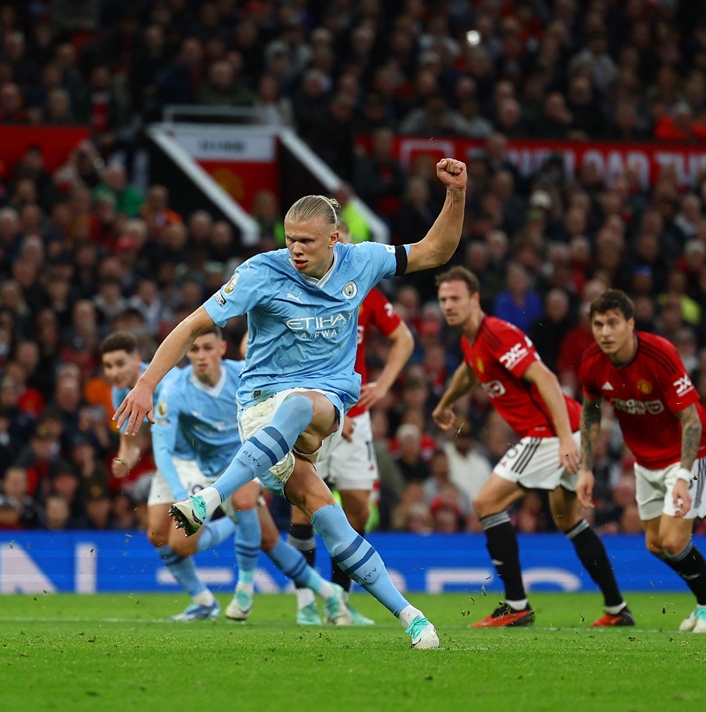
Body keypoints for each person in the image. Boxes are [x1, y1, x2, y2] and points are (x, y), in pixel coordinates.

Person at [116, 158, 473, 650]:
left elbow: (435, 250)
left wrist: (455, 195)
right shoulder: (260, 273)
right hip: (260, 410)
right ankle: (412, 617)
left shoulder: (362, 260)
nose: (296, 249)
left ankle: (211, 498)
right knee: (328, 514)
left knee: (307, 407)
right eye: (290, 238)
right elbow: (193, 325)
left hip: (323, 401)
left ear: (334, 240)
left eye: (307, 240)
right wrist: (145, 383)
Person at [431, 267, 630, 628]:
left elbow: (547, 378)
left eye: (456, 298)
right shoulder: (471, 341)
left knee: (485, 502)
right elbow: (469, 370)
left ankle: (516, 604)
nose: (448, 305)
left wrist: (566, 438)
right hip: (565, 429)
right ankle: (618, 609)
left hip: (551, 432)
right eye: (443, 299)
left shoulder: (497, 334)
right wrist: (446, 402)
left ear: (475, 299)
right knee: (569, 519)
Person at [151, 328, 348, 625]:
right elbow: (162, 447)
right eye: (195, 350)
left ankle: (243, 592)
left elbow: (287, 397)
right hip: (203, 470)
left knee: (244, 499)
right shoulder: (175, 390)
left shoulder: (244, 374)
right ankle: (328, 591)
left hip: (251, 455)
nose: (201, 356)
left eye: (208, 348)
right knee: (263, 540)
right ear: (187, 353)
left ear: (222, 347)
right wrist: (180, 492)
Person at [576, 290, 706, 633]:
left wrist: (682, 477)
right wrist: (586, 468)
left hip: (688, 451)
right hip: (645, 458)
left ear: (630, 324)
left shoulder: (659, 355)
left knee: (675, 541)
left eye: (613, 323)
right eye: (598, 324)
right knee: (655, 544)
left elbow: (691, 421)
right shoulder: (591, 362)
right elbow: (590, 413)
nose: (605, 332)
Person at [289, 285, 414, 625]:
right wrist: (325, 414)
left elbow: (404, 339)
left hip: (356, 419)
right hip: (313, 414)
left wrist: (384, 385)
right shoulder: (301, 291)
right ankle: (305, 602)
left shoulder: (365, 292)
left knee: (358, 508)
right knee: (304, 508)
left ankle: (339, 602)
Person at [103, 331, 237, 621]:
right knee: (156, 534)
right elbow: (131, 443)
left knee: (182, 543)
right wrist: (123, 461)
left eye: (120, 364)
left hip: (196, 461)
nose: (114, 372)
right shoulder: (119, 393)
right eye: (108, 366)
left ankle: (237, 521)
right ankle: (203, 601)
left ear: (137, 361)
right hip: (169, 463)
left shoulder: (167, 380)